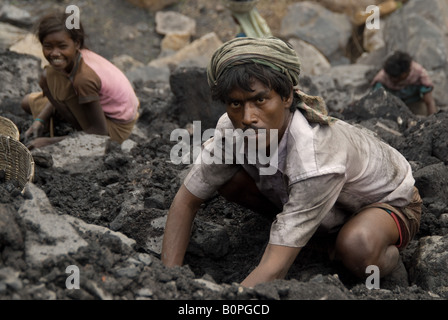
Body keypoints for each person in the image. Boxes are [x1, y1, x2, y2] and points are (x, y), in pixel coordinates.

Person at [161, 37, 422, 288]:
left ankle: (382, 258)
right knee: (227, 179)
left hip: (387, 203)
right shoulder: (230, 129)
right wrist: (169, 281)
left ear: (287, 97)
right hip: (318, 202)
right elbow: (186, 200)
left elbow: (275, 268)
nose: (248, 117)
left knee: (357, 246)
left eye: (260, 100)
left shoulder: (316, 155)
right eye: (236, 103)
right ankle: (312, 237)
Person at [21, 11, 140, 150]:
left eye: (62, 46)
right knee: (29, 100)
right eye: (48, 46)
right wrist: (39, 121)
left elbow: (100, 134)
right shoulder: (73, 60)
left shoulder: (84, 78)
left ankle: (78, 131)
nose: (54, 53)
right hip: (94, 108)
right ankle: (68, 122)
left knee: (50, 78)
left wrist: (49, 142)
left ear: (76, 43)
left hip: (115, 128)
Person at [371, 51, 437, 116]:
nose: (393, 80)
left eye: (396, 78)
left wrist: (434, 121)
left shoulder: (419, 75)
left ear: (405, 74)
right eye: (391, 78)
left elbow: (429, 102)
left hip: (414, 103)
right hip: (392, 107)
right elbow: (375, 102)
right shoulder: (382, 79)